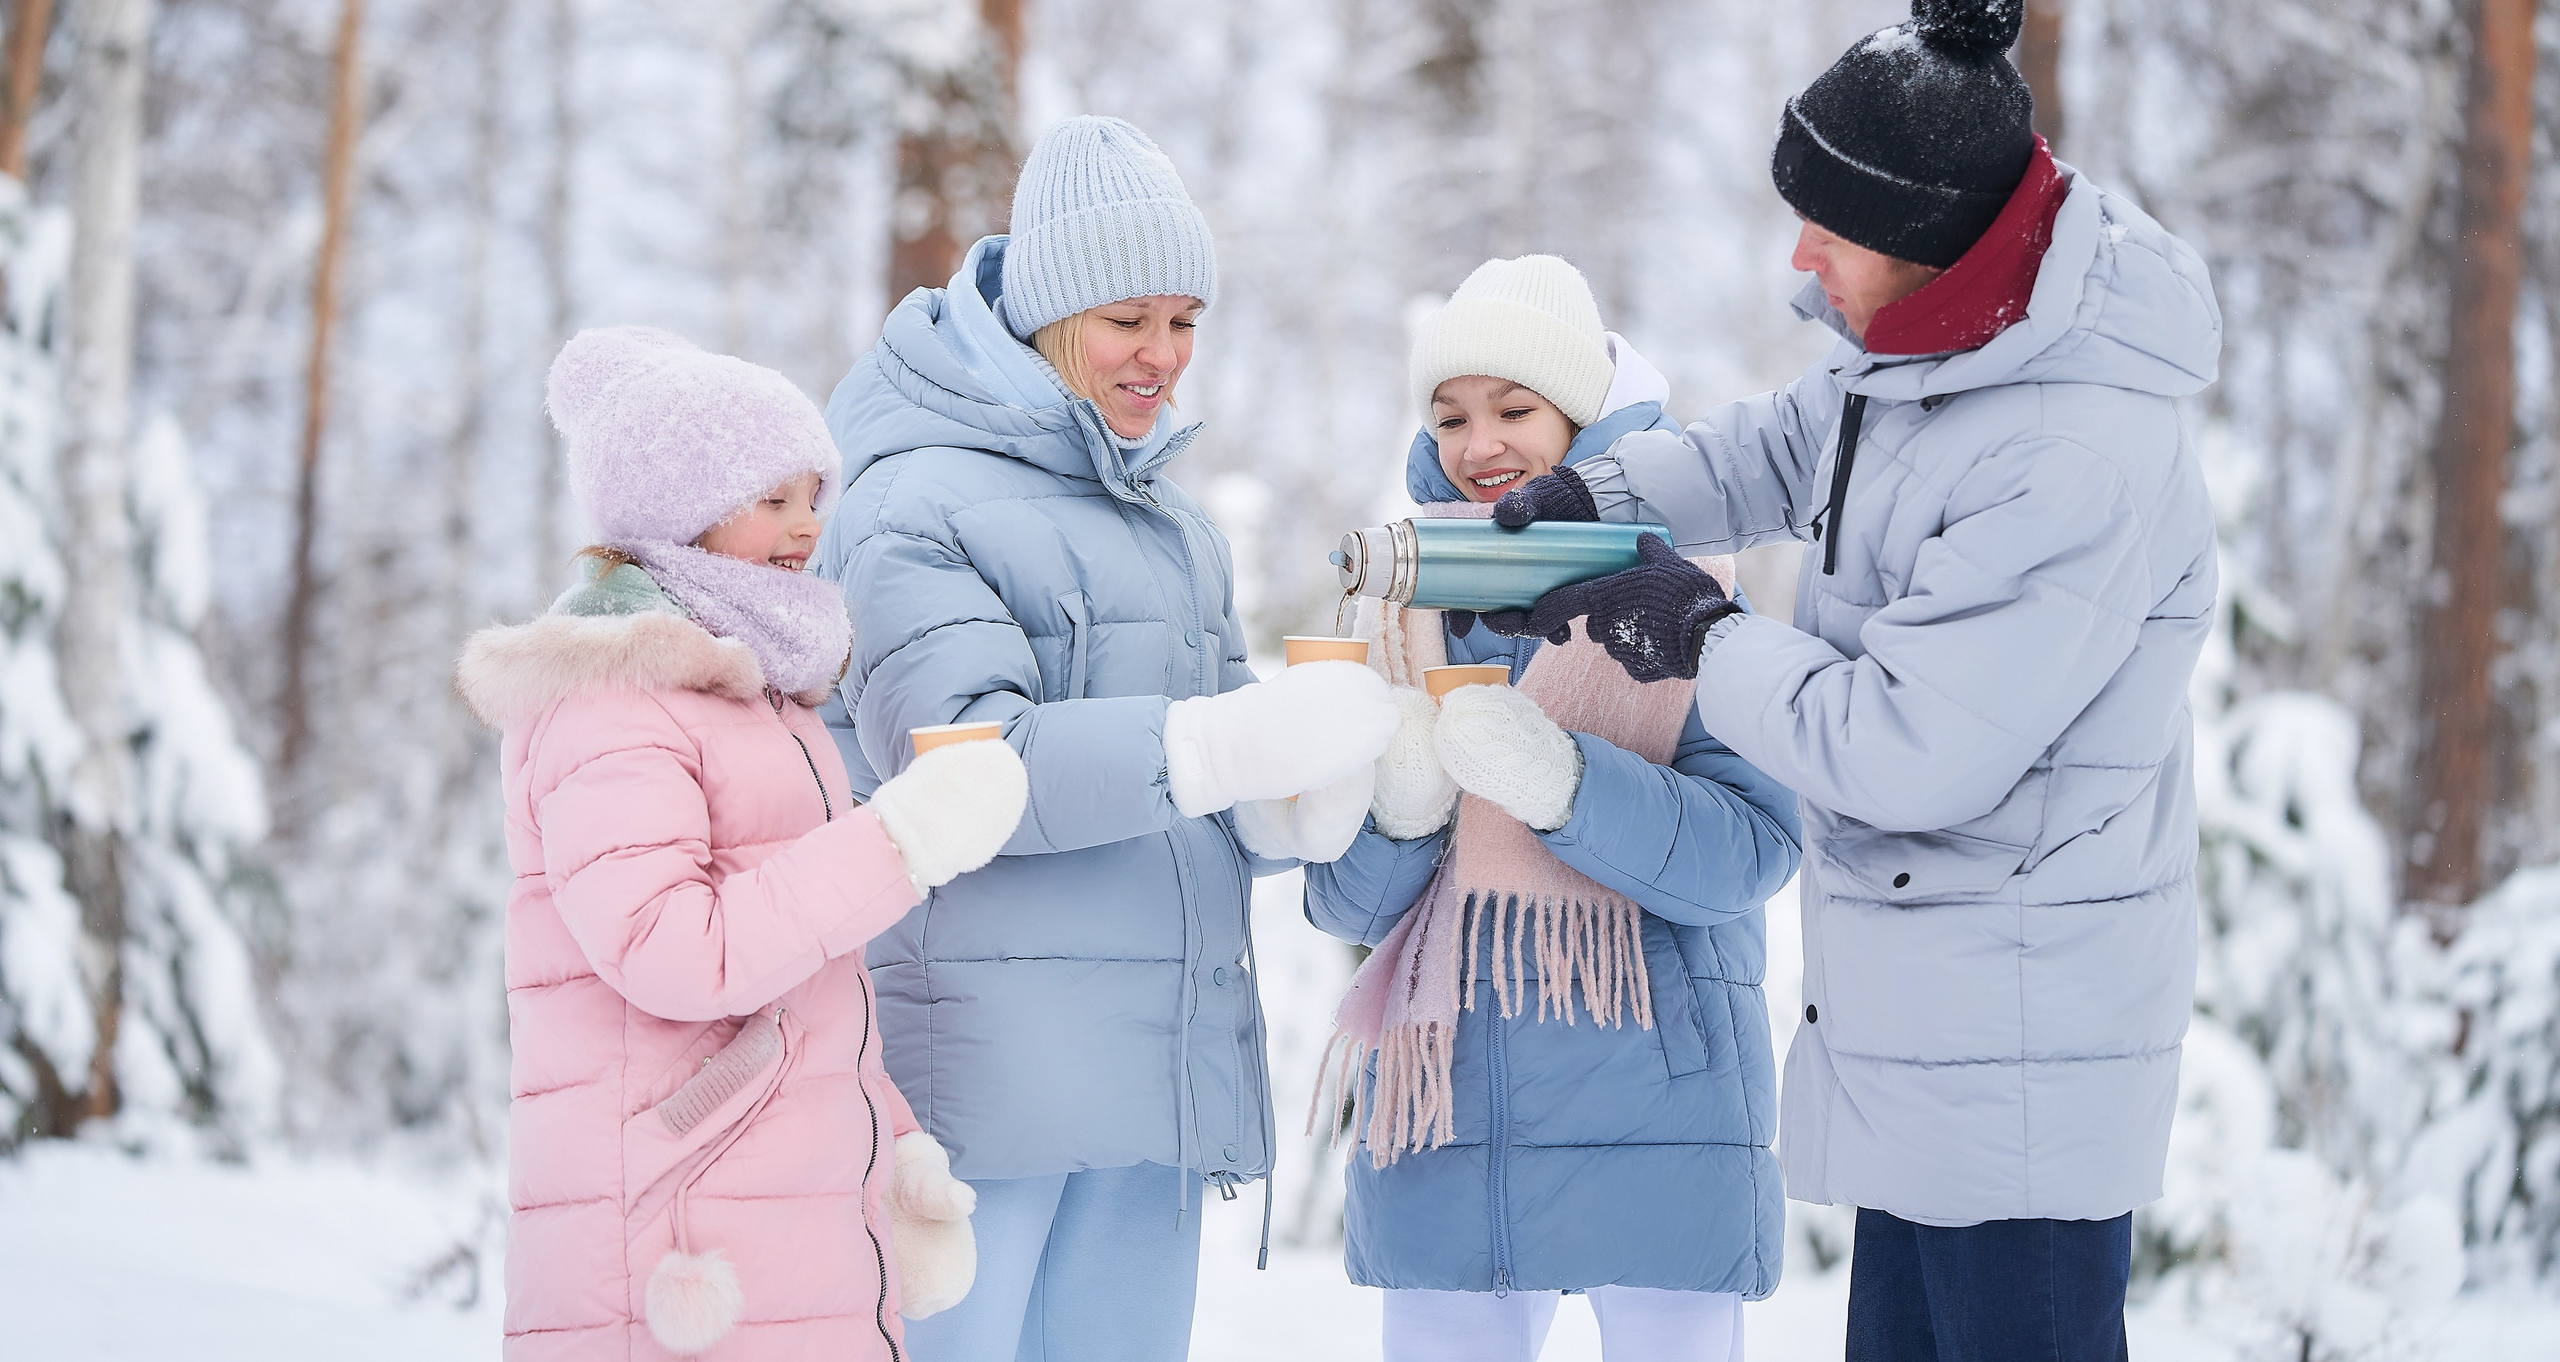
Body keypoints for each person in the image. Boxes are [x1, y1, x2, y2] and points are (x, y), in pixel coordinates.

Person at [1491, 0, 2221, 1362]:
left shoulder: (2067, 449)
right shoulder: (1943, 351)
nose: (1800, 260)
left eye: (1829, 228)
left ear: (1932, 233)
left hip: (2018, 1045)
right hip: (1935, 1031)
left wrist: (1698, 630)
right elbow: (1781, 443)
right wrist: (1604, 497)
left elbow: (1905, 746)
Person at [814, 115, 1401, 1362]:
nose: (1164, 356)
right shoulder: (909, 498)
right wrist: (1219, 751)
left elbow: (1216, 750)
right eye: (1130, 319)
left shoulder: (1168, 520)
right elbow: (962, 772)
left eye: (1185, 320)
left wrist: (1286, 806)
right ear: (1046, 310)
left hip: (1157, 1080)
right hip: (982, 1090)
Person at [459, 326, 1032, 1360]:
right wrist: (898, 839)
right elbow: (672, 950)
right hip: (676, 1230)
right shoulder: (611, 699)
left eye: (815, 496)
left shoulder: (759, 695)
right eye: (773, 499)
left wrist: (887, 1140)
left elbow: (800, 979)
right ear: (681, 504)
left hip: (769, 1215)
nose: (808, 527)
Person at [1300, 255, 1802, 1362]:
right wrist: (1405, 806)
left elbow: (1755, 847)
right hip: (1449, 1118)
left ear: (1582, 417)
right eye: (1452, 415)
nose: (1478, 445)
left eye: (1514, 409)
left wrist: (1564, 786)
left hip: (1662, 1109)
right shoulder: (1399, 606)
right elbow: (1341, 904)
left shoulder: (1685, 590)